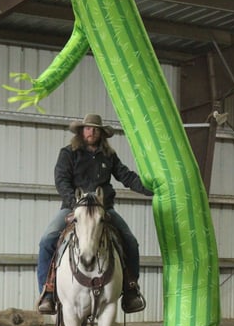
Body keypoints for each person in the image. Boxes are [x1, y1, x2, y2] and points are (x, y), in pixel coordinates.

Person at [36, 113, 152, 315]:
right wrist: (75, 205)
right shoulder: (68, 153)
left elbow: (126, 176)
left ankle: (131, 290)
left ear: (101, 133)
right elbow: (61, 180)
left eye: (96, 129)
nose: (92, 131)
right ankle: (48, 292)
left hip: (102, 209)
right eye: (88, 128)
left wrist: (151, 190)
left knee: (130, 242)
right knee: (47, 240)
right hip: (73, 207)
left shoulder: (109, 156)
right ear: (82, 131)